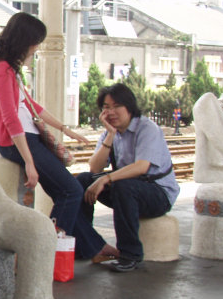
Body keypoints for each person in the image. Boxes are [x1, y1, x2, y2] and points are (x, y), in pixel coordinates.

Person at [0, 12, 90, 238]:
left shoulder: (5, 68)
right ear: (25, 41)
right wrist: (29, 161)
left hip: (24, 139)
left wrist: (65, 129)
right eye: (36, 42)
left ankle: (91, 247)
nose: (37, 47)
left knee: (65, 193)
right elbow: (10, 118)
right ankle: (50, 247)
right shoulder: (2, 71)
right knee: (72, 190)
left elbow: (31, 106)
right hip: (20, 142)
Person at [74, 83, 179, 272]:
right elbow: (95, 167)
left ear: (129, 107)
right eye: (106, 107)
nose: (111, 112)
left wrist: (106, 179)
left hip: (158, 193)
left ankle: (130, 254)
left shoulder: (147, 128)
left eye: (116, 106)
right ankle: (89, 245)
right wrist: (110, 136)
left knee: (123, 186)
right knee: (82, 181)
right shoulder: (110, 132)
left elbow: (142, 167)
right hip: (129, 190)